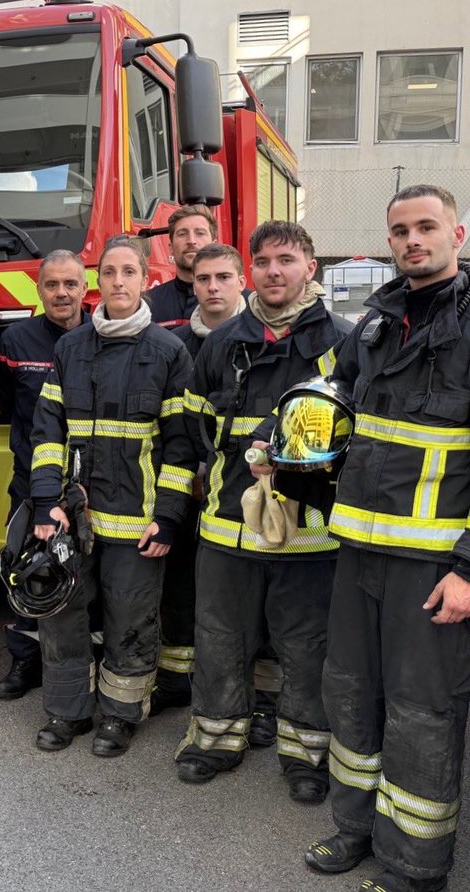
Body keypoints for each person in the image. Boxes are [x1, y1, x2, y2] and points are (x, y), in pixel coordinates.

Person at [304, 185, 470, 892]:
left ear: (457, 235)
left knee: (421, 711)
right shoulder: (373, 324)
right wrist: (283, 443)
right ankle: (355, 828)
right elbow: (326, 397)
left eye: (426, 227)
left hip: (432, 566)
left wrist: (468, 570)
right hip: (359, 552)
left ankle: (414, 866)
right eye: (400, 230)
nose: (412, 240)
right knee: (351, 692)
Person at [175, 221, 351, 804]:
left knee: (307, 648)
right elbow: (196, 424)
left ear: (310, 268)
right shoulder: (223, 342)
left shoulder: (344, 342)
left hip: (309, 538)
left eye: (287, 260)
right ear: (251, 270)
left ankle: (306, 755)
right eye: (264, 261)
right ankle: (214, 740)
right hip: (227, 530)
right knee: (220, 639)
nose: (274, 272)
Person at [29, 238, 195, 756]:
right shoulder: (70, 348)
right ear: (97, 281)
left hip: (137, 521)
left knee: (130, 621)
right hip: (71, 517)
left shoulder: (168, 351)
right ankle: (67, 711)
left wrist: (168, 517)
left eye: (128, 272)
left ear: (145, 279)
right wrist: (45, 501)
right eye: (109, 272)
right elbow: (48, 432)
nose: (118, 281)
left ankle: (121, 716)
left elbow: (181, 446)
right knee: (62, 614)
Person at [152, 244, 248, 713]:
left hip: (243, 493)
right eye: (204, 279)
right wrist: (187, 475)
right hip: (185, 487)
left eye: (223, 278)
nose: (213, 287)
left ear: (241, 281)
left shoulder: (259, 339)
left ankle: (249, 690)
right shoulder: (175, 345)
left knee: (239, 596)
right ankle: (175, 678)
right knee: (179, 588)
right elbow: (173, 423)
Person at [0, 249, 89, 701]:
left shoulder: (100, 335)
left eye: (70, 284)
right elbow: (8, 406)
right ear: (39, 290)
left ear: (85, 288)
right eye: (52, 285)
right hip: (32, 483)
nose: (61, 293)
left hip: (90, 484)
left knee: (88, 577)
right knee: (27, 569)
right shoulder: (15, 340)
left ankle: (84, 663)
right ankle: (26, 661)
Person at [146, 205, 218, 328]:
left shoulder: (239, 301)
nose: (191, 241)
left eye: (200, 233)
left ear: (214, 245)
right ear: (170, 248)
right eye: (182, 234)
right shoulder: (148, 304)